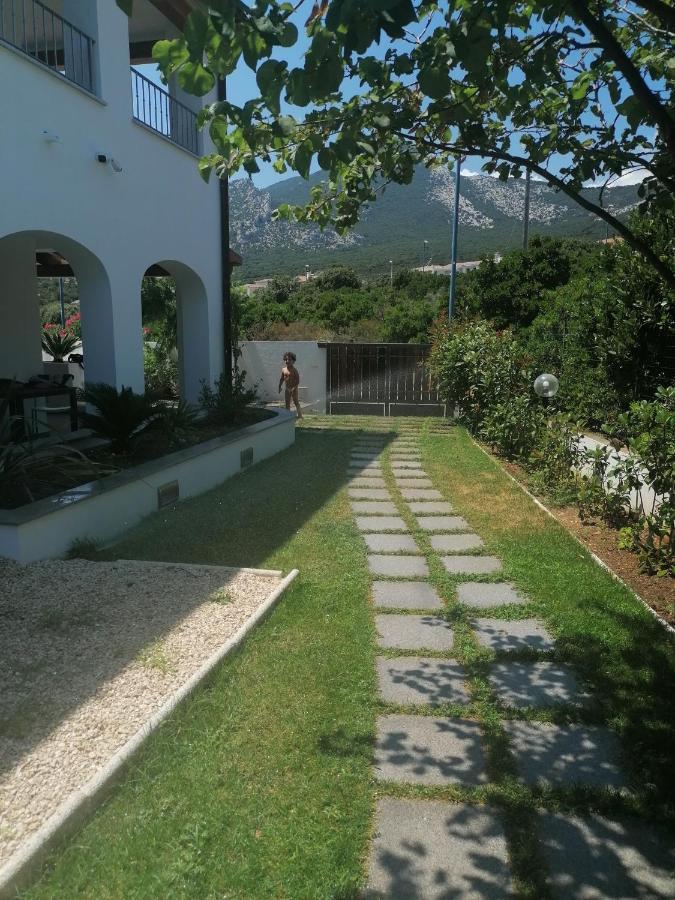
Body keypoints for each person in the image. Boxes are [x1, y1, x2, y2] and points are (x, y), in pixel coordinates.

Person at [278, 351, 303, 418]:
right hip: (287, 388)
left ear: (293, 361)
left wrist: (293, 388)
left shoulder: (294, 370)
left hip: (294, 388)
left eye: (289, 359)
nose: (287, 361)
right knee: (287, 402)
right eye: (286, 359)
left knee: (296, 401)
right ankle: (287, 416)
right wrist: (279, 386)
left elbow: (297, 380)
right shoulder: (283, 369)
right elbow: (281, 378)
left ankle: (300, 415)